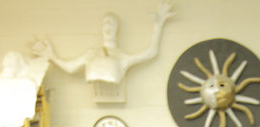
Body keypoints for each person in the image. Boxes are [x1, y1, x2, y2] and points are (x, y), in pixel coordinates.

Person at [30, 1, 175, 85]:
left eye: (111, 23)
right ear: (101, 27)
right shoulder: (90, 53)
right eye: (105, 23)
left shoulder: (121, 57)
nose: (108, 27)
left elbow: (151, 52)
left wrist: (158, 25)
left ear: (117, 28)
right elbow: (70, 67)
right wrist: (51, 55)